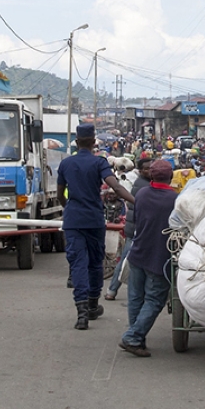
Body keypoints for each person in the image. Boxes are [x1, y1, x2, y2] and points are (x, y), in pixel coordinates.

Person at [59, 123, 135, 330]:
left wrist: (70, 209)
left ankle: (81, 312)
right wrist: (136, 202)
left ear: (76, 142)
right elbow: (116, 186)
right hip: (93, 219)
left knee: (77, 264)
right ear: (94, 142)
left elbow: (59, 195)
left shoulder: (66, 164)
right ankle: (93, 303)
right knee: (94, 262)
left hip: (73, 220)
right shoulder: (99, 163)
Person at [118, 160, 178, 357]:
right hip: (159, 257)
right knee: (154, 299)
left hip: (138, 252)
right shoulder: (174, 199)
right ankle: (133, 337)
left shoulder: (142, 194)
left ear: (151, 176)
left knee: (136, 298)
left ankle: (137, 339)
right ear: (171, 177)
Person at [106, 157, 153, 301]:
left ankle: (112, 290)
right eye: (146, 168)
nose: (149, 170)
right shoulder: (143, 185)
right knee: (126, 260)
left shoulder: (144, 183)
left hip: (136, 227)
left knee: (127, 259)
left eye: (151, 168)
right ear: (140, 170)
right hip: (136, 228)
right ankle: (112, 290)